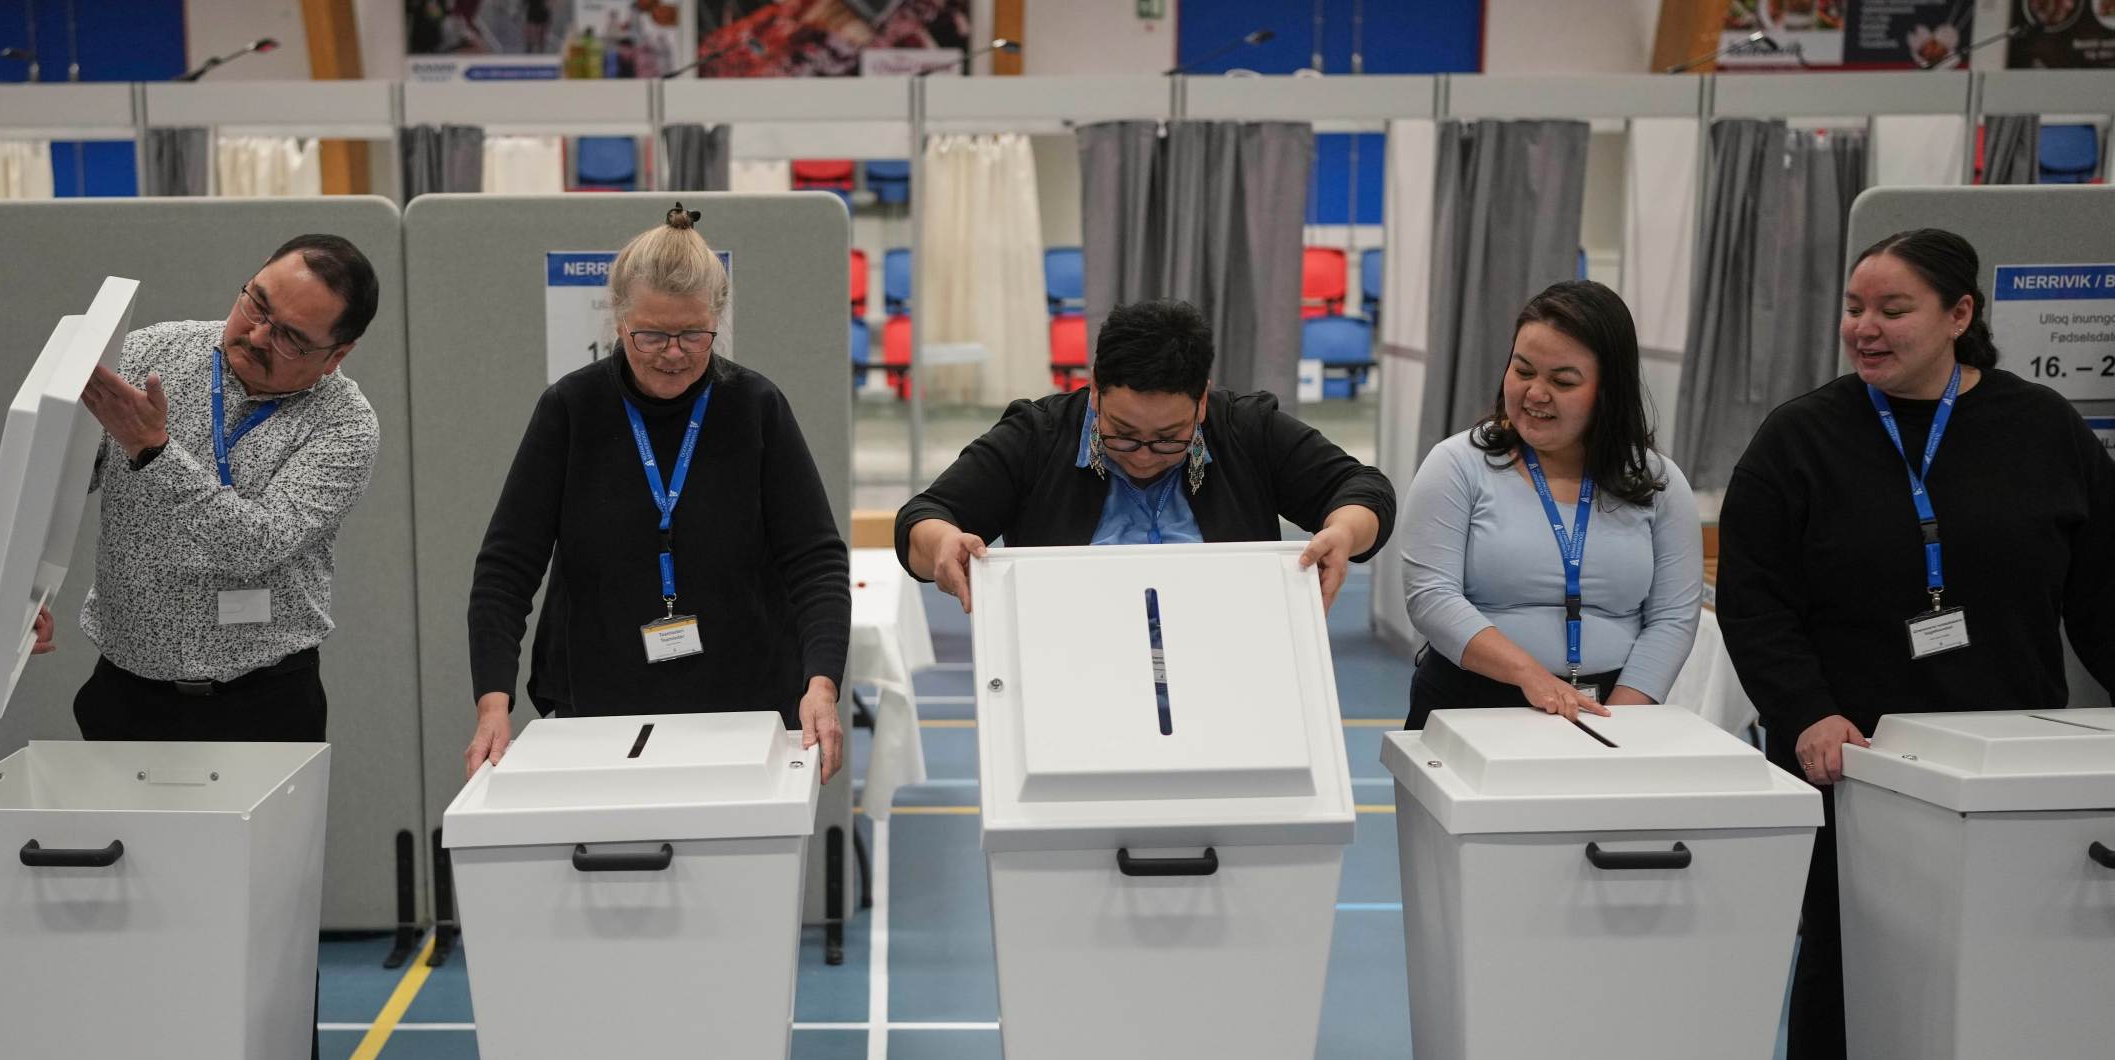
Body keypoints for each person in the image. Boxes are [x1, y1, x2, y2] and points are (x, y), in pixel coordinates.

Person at [1718, 227, 2115, 1060]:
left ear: (1958, 317)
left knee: (2013, 956)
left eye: (1891, 309)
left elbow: (2102, 595)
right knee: (1849, 955)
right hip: (1854, 755)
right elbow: (1755, 598)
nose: (1863, 327)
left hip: (2009, 756)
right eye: (1854, 307)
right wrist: (1804, 712)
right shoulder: (1800, 439)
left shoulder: (2044, 433)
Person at [31, 233, 384, 1060]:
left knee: (264, 942)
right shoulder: (165, 353)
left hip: (260, 705)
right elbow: (48, 481)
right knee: (133, 925)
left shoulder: (343, 429)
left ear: (335, 356)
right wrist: (21, 578)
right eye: (255, 305)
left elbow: (255, 545)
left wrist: (154, 451)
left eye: (289, 334)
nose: (255, 335)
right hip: (130, 694)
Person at [465, 204, 849, 782]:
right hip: (594, 703)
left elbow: (815, 560)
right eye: (650, 335)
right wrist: (493, 703)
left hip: (740, 703)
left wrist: (822, 683)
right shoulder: (571, 410)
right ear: (617, 322)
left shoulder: (755, 407)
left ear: (717, 321)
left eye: (694, 334)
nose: (673, 353)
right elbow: (506, 569)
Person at [894, 299, 1392, 613]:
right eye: (1122, 434)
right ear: (1094, 392)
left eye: (1171, 437)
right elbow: (923, 518)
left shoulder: (1245, 429)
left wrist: (1343, 531)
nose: (1145, 455)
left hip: (1228, 659)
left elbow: (1365, 491)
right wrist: (942, 544)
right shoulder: (1039, 436)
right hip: (1074, 661)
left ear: (1202, 399)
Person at [1396, 280, 1703, 730]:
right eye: (1522, 371)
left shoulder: (1658, 482)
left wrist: (1622, 719)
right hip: (1471, 704)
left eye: (1562, 381)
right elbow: (1430, 596)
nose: (1536, 394)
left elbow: (1674, 617)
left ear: (1608, 391)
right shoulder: (1457, 465)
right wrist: (1530, 676)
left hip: (1613, 711)